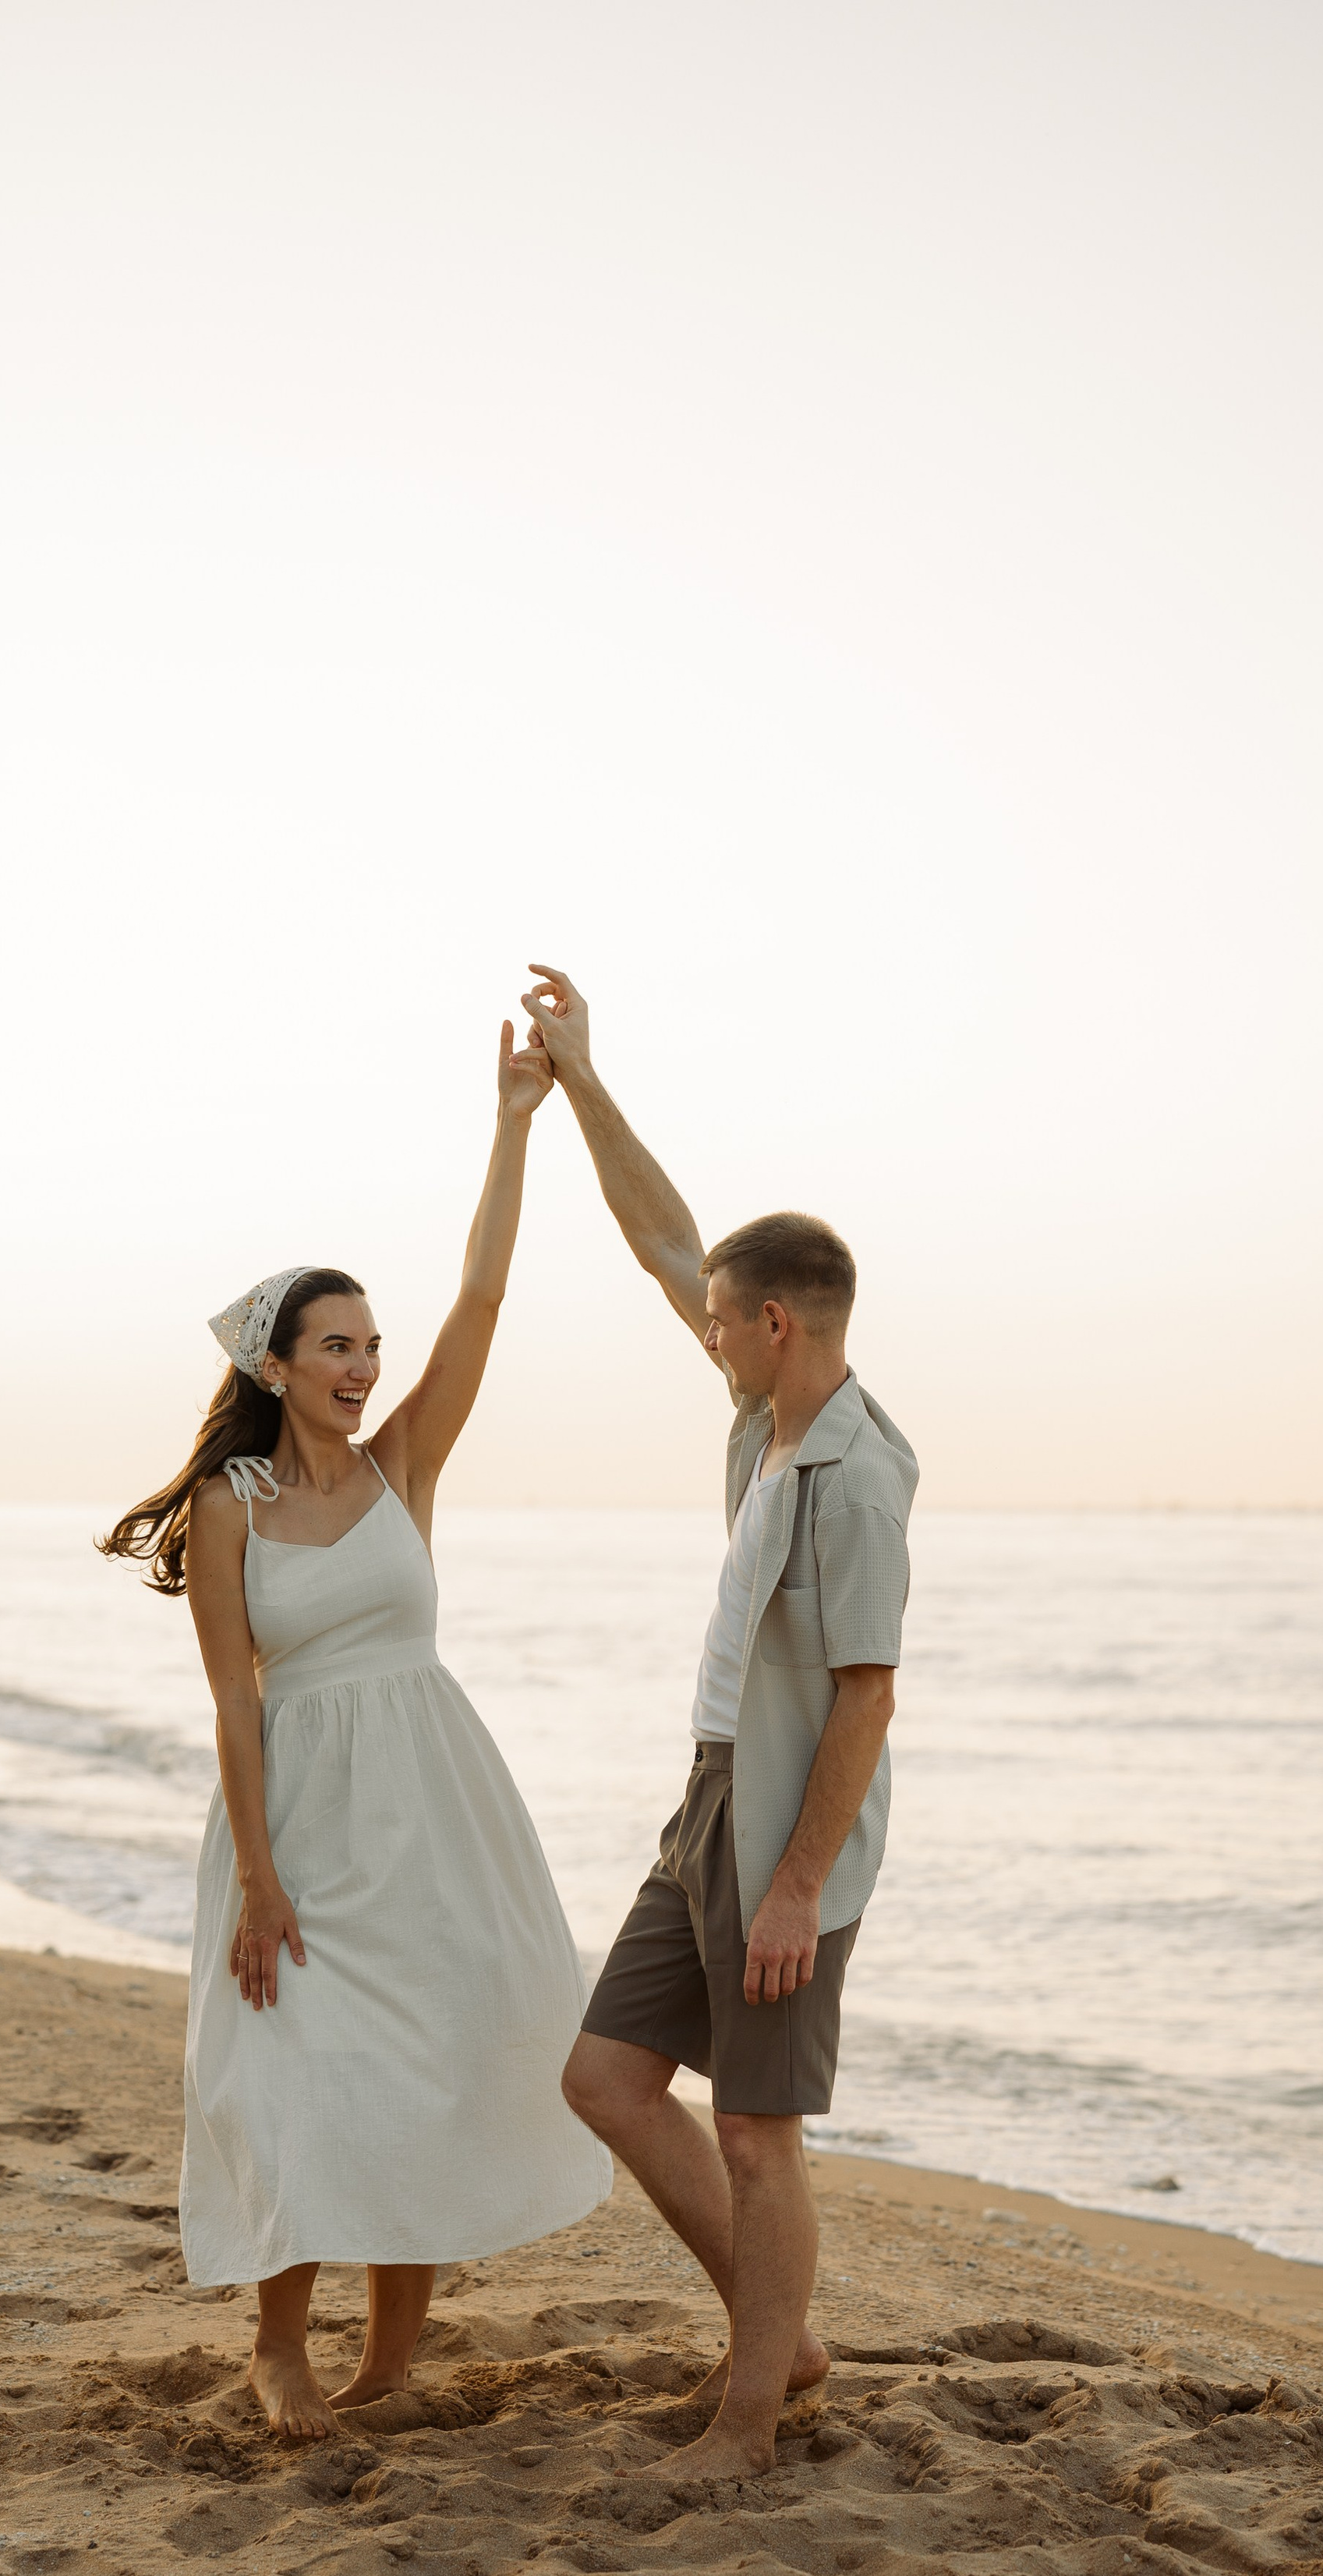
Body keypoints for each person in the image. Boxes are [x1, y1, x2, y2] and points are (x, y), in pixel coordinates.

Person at [97, 1022, 609, 2442]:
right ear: (275, 1362)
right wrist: (260, 1878)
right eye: (337, 1347)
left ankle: (389, 2361)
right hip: (299, 1821)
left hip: (432, 1801)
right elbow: (234, 1701)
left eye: (372, 1347)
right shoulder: (230, 1509)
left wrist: (517, 1121)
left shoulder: (403, 1470)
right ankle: (278, 2347)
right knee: (295, 2067)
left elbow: (485, 1300)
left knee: (428, 2058)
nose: (365, 1367)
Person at [528, 964, 918, 2484]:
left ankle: (751, 2416)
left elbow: (867, 1694)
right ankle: (787, 2334)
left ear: (770, 1323)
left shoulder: (855, 1480)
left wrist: (800, 1885)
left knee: (758, 2129)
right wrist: (578, 1079)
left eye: (713, 1321)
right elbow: (661, 1244)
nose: (694, 1332)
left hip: (782, 1835)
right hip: (709, 1795)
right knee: (608, 2079)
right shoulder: (767, 1417)